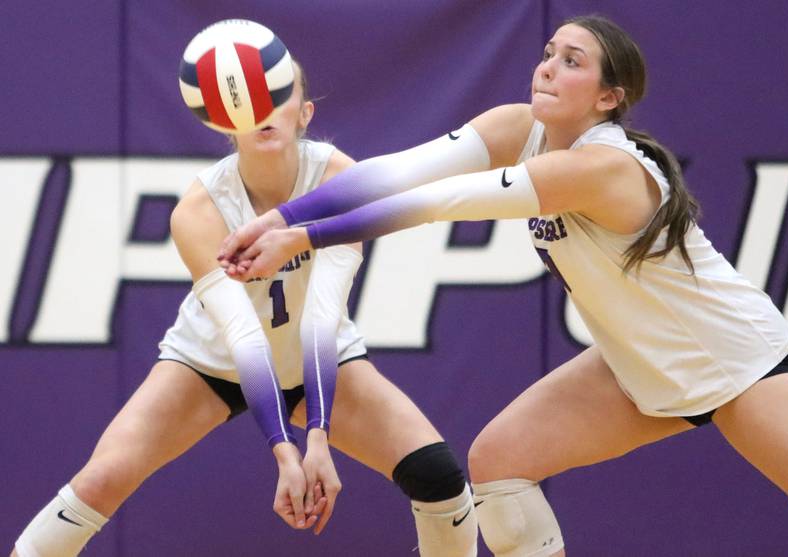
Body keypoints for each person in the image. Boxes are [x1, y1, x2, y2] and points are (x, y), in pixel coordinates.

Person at [218, 16, 788, 556]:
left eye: (573, 61)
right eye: (548, 53)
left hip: (737, 361)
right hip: (640, 362)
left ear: (608, 98)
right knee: (500, 461)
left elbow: (439, 202)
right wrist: (279, 219)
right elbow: (399, 172)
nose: (547, 67)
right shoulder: (518, 127)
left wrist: (303, 238)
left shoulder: (603, 167)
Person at [11, 62, 478, 557]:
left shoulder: (339, 178)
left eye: (279, 93)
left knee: (439, 477)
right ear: (225, 119)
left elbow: (323, 315)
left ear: (305, 113)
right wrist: (284, 450)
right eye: (250, 96)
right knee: (101, 480)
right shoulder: (199, 210)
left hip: (318, 357)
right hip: (210, 363)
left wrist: (316, 439)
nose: (264, 107)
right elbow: (243, 337)